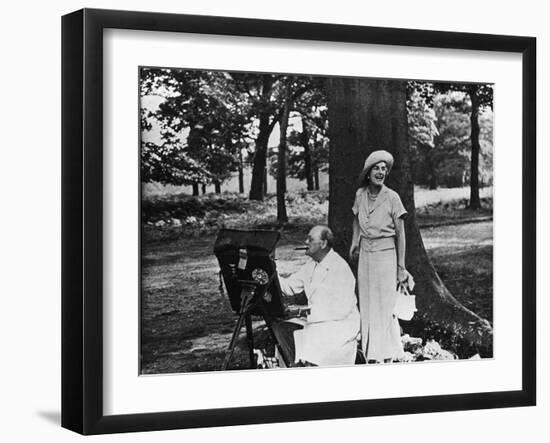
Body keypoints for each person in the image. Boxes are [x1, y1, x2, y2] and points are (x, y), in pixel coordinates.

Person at [349, 150, 410, 363]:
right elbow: (356, 219)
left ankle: (387, 352)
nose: (381, 172)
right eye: (377, 168)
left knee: (384, 303)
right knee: (367, 301)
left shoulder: (392, 197)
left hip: (386, 255)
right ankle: (370, 351)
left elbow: (401, 234)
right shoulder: (360, 194)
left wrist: (401, 267)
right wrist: (355, 242)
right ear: (368, 172)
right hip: (366, 254)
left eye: (384, 169)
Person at [277, 225, 360, 367]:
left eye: (310, 239)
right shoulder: (311, 265)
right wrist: (273, 267)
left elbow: (341, 310)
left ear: (323, 243)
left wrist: (305, 311)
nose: (305, 242)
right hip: (318, 320)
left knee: (313, 339)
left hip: (340, 323)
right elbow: (288, 287)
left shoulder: (340, 267)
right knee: (281, 329)